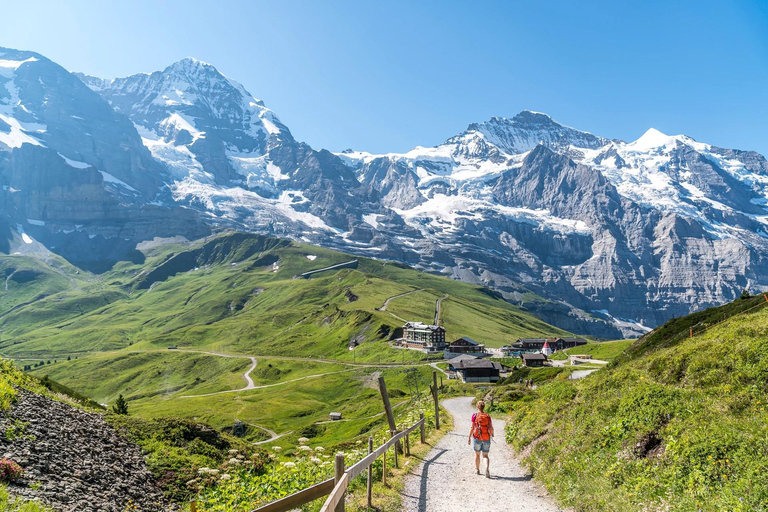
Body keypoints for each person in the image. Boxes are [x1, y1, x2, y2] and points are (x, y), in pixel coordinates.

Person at [468, 400, 494, 478]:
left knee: (477, 454)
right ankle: (486, 468)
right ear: (483, 407)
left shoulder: (474, 415)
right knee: (485, 455)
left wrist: (469, 437)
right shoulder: (488, 416)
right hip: (486, 437)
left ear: (477, 407)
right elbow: (491, 427)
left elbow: (472, 427)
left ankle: (477, 469)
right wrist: (492, 434)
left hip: (477, 437)